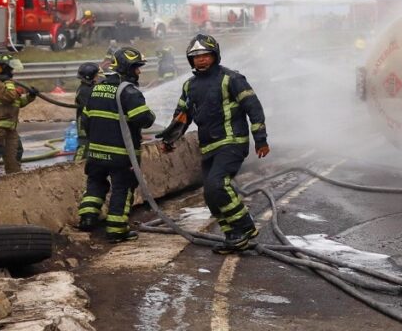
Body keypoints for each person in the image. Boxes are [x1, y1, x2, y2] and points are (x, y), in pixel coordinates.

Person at [155, 34, 269, 254]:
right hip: (209, 147)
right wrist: (169, 140)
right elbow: (182, 116)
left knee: (218, 185)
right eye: (196, 57)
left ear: (215, 55)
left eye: (206, 55)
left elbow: (254, 108)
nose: (201, 59)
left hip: (232, 141)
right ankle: (233, 237)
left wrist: (260, 139)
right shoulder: (189, 86)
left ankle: (245, 227)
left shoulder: (231, 79)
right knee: (210, 195)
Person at [76, 48, 155, 242]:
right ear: (128, 68)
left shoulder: (97, 88)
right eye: (136, 67)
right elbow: (144, 119)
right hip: (122, 154)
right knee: (122, 188)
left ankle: (87, 218)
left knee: (95, 183)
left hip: (96, 152)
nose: (139, 72)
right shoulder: (129, 92)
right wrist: (151, 115)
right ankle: (116, 230)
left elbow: (85, 120)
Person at [73, 62, 101, 161]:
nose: (98, 77)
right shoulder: (84, 91)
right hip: (83, 123)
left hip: (89, 121)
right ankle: (76, 165)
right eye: (96, 75)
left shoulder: (88, 88)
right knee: (83, 145)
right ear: (89, 76)